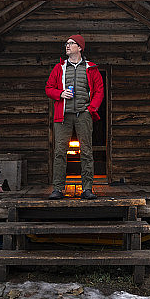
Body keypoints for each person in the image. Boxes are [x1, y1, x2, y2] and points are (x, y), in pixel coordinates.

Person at [45, 34, 104, 199]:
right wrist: (60, 93)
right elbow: (48, 88)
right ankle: (57, 189)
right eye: (66, 43)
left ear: (80, 48)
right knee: (59, 152)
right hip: (62, 116)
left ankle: (87, 189)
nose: (67, 46)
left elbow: (99, 90)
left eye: (71, 43)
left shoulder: (91, 68)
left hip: (83, 115)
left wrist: (91, 108)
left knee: (86, 151)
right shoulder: (60, 68)